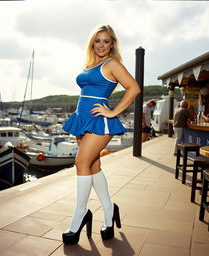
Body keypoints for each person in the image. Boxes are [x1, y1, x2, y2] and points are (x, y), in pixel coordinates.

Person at [61, 24, 141, 245]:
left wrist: (114, 111)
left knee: (81, 163)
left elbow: (134, 88)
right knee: (93, 166)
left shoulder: (112, 63)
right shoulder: (89, 64)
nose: (102, 45)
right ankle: (109, 210)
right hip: (82, 117)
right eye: (98, 40)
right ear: (92, 43)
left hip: (99, 119)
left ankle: (80, 214)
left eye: (106, 41)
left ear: (112, 44)